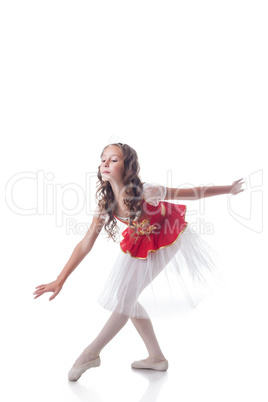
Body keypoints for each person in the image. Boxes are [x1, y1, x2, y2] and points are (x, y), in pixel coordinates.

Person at [33, 143, 244, 381]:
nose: (105, 163)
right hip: (140, 240)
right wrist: (60, 279)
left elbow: (194, 192)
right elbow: (85, 243)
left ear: (128, 166)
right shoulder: (107, 202)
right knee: (127, 298)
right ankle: (156, 357)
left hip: (166, 236)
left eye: (114, 160)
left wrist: (230, 189)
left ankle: (91, 352)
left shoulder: (147, 190)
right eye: (103, 159)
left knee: (125, 298)